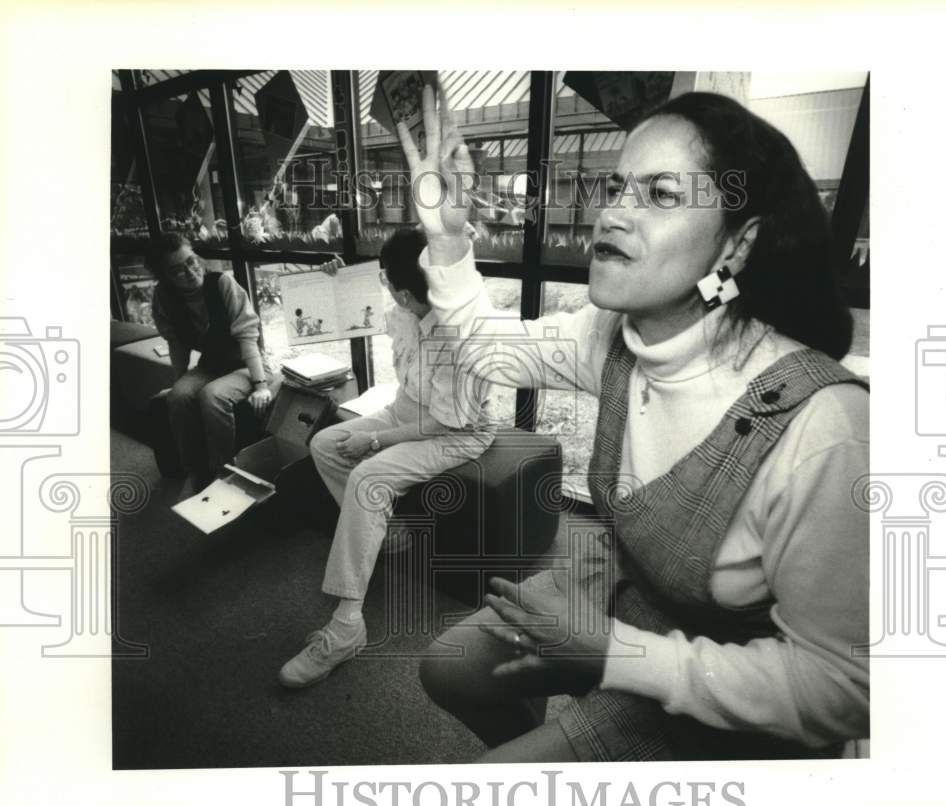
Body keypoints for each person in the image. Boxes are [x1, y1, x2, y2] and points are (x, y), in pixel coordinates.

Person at [404, 86, 870, 761]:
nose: (613, 214)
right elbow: (487, 348)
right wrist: (446, 238)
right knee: (447, 666)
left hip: (726, 682)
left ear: (737, 245)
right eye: (618, 186)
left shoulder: (826, 428)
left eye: (660, 195)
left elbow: (840, 687)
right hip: (626, 583)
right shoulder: (611, 336)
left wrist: (615, 656)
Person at [278, 227, 497, 688]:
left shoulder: (457, 335)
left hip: (459, 430)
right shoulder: (408, 304)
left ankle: (347, 626)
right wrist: (335, 283)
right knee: (324, 444)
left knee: (367, 478)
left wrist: (376, 443)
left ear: (402, 292)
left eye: (387, 284)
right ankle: (390, 533)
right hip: (407, 408)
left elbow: (445, 422)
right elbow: (355, 313)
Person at [148, 233, 274, 488]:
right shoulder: (163, 297)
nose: (191, 272)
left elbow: (247, 336)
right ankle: (194, 469)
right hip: (211, 366)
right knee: (178, 396)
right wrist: (179, 381)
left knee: (212, 395)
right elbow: (178, 343)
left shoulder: (222, 283)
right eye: (177, 270)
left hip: (246, 365)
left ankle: (223, 470)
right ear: (165, 277)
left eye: (192, 261)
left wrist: (261, 386)